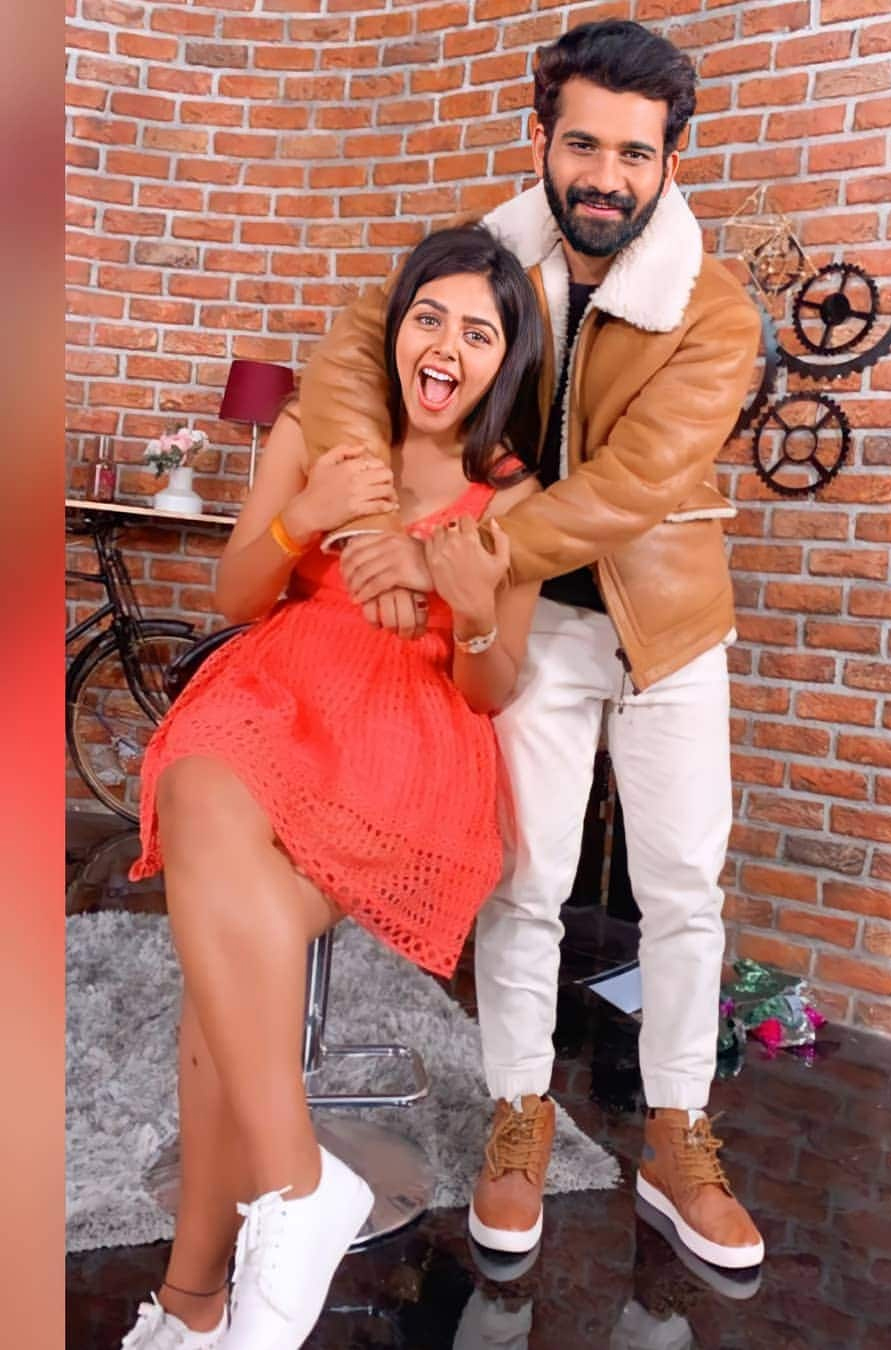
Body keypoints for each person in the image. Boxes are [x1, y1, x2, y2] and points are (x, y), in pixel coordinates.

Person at [300, 20, 766, 1272]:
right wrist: (374, 513)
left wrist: (455, 551)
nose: (606, 176)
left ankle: (678, 1135)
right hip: (530, 624)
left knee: (683, 891)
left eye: (635, 152)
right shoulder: (485, 258)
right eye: (583, 145)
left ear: (670, 161)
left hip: (669, 630)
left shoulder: (715, 311)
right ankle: (520, 1114)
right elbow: (349, 351)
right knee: (525, 884)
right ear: (543, 139)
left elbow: (634, 484)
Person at [118, 224, 544, 1350]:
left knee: (224, 970)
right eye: (429, 317)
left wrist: (473, 605)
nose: (446, 346)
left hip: (402, 736)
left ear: (505, 360)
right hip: (272, 696)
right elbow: (236, 594)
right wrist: (301, 518)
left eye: (479, 332)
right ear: (396, 327)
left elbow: (491, 686)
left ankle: (198, 1297)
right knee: (199, 791)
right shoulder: (322, 429)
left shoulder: (510, 494)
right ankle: (285, 1201)